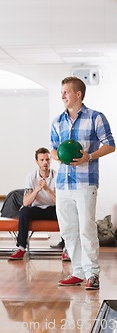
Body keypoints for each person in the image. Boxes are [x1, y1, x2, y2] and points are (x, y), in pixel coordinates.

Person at [51, 76, 115, 290]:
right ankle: (77, 271)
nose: (62, 96)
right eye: (61, 92)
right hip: (63, 184)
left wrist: (90, 156)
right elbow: (52, 148)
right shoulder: (57, 121)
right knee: (68, 229)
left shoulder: (96, 117)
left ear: (78, 94)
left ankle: (92, 274)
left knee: (86, 229)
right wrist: (57, 155)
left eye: (66, 92)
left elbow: (110, 145)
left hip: (85, 183)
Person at [8, 147, 60, 260]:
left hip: (53, 209)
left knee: (65, 211)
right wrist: (37, 189)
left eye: (47, 159)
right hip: (37, 209)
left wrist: (47, 189)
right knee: (24, 211)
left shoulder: (57, 176)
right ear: (37, 161)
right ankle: (21, 248)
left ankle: (66, 249)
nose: (45, 162)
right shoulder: (31, 177)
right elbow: (26, 202)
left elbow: (59, 202)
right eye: (42, 160)